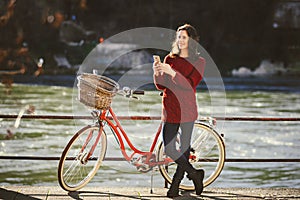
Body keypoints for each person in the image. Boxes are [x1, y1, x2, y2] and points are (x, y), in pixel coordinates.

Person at [153, 24, 206, 197]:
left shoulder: (199, 61)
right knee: (169, 149)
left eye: (184, 37)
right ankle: (195, 174)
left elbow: (191, 85)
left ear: (191, 40)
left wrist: (173, 74)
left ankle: (175, 186)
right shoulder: (170, 59)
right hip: (170, 108)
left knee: (184, 149)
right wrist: (158, 72)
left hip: (187, 110)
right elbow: (161, 85)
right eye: (179, 37)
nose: (180, 40)